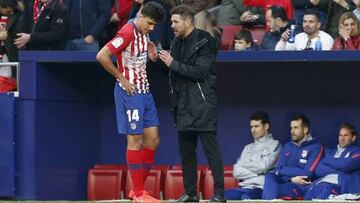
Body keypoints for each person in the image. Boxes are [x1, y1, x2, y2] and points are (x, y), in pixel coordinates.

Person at [96, 2, 165, 203]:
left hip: (145, 91)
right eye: (150, 23)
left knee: (153, 140)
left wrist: (151, 54)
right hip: (130, 93)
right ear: (141, 16)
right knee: (135, 141)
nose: (151, 28)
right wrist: (121, 78)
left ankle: (138, 190)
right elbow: (102, 55)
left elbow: (137, 56)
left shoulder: (144, 32)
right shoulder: (127, 32)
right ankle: (138, 193)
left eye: (154, 25)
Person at [158, 5, 225, 202]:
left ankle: (220, 194)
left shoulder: (207, 41)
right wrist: (157, 60)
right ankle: (191, 194)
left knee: (211, 152)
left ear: (187, 22)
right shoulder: (177, 42)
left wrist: (172, 63)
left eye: (175, 22)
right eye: (171, 22)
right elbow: (173, 71)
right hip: (182, 104)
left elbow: (200, 72)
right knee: (186, 153)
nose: (172, 26)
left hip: (202, 102)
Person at [262, 115, 324, 200]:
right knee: (270, 176)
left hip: (300, 187)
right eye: (291, 128)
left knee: (270, 191)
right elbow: (277, 169)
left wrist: (283, 171)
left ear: (305, 130)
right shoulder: (288, 146)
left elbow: (307, 173)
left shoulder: (316, 147)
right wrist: (291, 179)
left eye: (296, 128)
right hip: (287, 181)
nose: (292, 131)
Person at [224, 111, 281, 200]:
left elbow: (263, 167)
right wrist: (258, 173)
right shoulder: (248, 148)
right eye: (251, 127)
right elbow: (236, 171)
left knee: (246, 197)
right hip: (244, 187)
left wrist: (245, 164)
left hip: (261, 189)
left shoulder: (275, 145)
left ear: (266, 126)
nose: (253, 130)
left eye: (256, 126)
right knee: (221, 196)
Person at [304, 123, 360, 200]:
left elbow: (345, 165)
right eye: (340, 135)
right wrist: (341, 168)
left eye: (346, 135)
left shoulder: (357, 151)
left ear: (353, 138)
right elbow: (318, 170)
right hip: (321, 183)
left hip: (340, 186)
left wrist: (329, 163)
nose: (342, 138)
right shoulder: (330, 153)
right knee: (308, 196)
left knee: (324, 190)